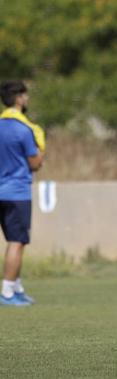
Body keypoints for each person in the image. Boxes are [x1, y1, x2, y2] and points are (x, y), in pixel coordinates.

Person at [0, 80, 45, 306]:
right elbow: (35, 163)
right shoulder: (24, 129)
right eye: (25, 96)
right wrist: (41, 151)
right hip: (17, 193)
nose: (27, 100)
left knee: (14, 242)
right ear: (18, 98)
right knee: (16, 242)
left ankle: (16, 287)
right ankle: (7, 292)